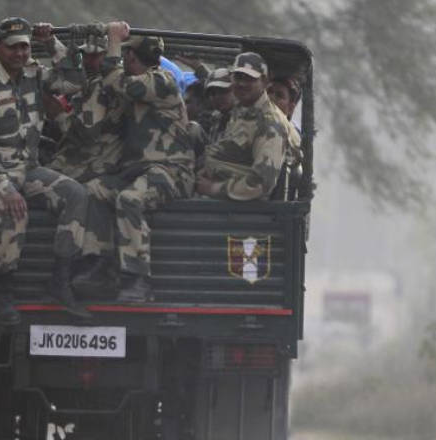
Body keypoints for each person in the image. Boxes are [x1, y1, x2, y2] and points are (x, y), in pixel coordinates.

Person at [0, 17, 95, 324]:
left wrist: (52, 44)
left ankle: (59, 283)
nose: (20, 54)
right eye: (13, 48)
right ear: (0, 48)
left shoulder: (34, 74)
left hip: (28, 169)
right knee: (14, 212)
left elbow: (75, 81)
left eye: (24, 46)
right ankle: (3, 292)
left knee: (76, 194)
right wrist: (4, 187)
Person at [77, 22, 195, 302]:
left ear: (131, 57)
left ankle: (138, 279)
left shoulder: (161, 81)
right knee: (94, 190)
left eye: (126, 55)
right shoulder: (141, 88)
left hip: (171, 172)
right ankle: (101, 263)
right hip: (140, 170)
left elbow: (116, 80)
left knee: (130, 199)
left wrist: (114, 42)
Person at [196, 52, 300, 201]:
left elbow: (262, 183)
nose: (242, 84)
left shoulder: (270, 123)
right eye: (238, 77)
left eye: (250, 78)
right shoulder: (241, 109)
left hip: (246, 210)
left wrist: (214, 188)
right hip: (224, 194)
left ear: (264, 82)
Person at [46, 32, 127, 183]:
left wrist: (59, 114)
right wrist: (50, 40)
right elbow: (67, 67)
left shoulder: (106, 85)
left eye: (95, 56)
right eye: (85, 55)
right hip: (78, 158)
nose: (89, 61)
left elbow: (86, 131)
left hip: (95, 164)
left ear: (107, 55)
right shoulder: (85, 83)